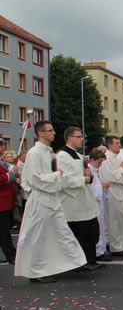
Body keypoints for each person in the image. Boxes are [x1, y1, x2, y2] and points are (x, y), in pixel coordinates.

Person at [14, 121, 87, 283]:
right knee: (39, 236)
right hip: (41, 199)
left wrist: (57, 177)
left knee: (61, 232)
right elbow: (34, 179)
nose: (54, 133)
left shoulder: (48, 153)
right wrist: (56, 176)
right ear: (41, 133)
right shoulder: (34, 153)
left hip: (51, 198)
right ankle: (36, 271)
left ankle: (74, 263)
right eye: (50, 130)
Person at [56, 127, 102, 270]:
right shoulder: (63, 156)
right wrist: (85, 179)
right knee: (79, 234)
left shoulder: (78, 154)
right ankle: (81, 263)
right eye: (78, 136)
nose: (82, 139)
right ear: (70, 138)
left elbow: (86, 175)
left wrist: (89, 175)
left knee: (92, 231)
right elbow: (66, 180)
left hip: (85, 199)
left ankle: (91, 259)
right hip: (73, 201)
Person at [99, 135, 123, 256]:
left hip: (119, 191)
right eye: (116, 144)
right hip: (113, 192)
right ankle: (117, 247)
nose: (119, 146)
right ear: (109, 145)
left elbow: (122, 177)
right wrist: (122, 169)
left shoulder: (113, 158)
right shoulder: (106, 159)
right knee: (115, 220)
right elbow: (113, 177)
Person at [88, 148, 111, 261]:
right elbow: (92, 189)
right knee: (96, 227)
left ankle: (101, 249)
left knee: (100, 226)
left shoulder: (95, 170)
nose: (100, 165)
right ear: (92, 159)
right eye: (99, 162)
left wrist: (102, 186)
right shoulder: (89, 170)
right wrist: (103, 186)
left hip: (98, 203)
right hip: (93, 203)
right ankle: (98, 251)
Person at [0, 137, 17, 265]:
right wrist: (9, 175)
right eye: (1, 144)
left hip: (6, 201)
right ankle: (11, 255)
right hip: (2, 202)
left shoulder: (2, 162)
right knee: (3, 231)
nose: (3, 146)